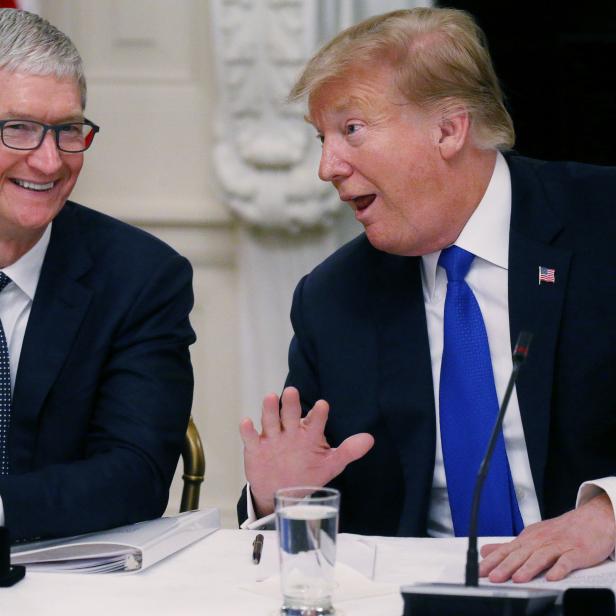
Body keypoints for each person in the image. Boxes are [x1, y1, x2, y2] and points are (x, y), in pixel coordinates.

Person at [239, 7, 616, 584]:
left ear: (448, 129)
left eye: (352, 130)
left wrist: (606, 515)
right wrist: (275, 500)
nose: (326, 167)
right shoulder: (332, 299)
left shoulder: (603, 224)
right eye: (322, 137)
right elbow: (311, 502)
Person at [0, 9, 195, 541]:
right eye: (17, 128)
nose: (48, 161)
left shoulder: (141, 278)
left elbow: (135, 475)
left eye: (67, 130)